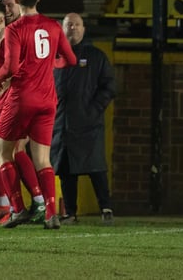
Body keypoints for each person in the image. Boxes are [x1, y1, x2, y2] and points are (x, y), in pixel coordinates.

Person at [0, 0, 76, 229]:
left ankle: (18, 209)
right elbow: (69, 59)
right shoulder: (53, 26)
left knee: (2, 151)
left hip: (22, 99)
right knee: (43, 159)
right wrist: (51, 63)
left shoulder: (14, 29)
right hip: (48, 100)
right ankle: (51, 213)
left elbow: (11, 67)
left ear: (16, 0)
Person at [50, 13, 116, 225]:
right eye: (70, 25)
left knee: (96, 168)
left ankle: (105, 207)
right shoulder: (54, 56)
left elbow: (109, 86)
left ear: (84, 29)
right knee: (66, 170)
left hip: (89, 123)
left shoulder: (96, 56)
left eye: (78, 25)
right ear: (62, 28)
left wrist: (94, 109)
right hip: (62, 124)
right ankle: (70, 212)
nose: (74, 29)